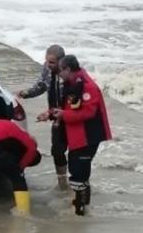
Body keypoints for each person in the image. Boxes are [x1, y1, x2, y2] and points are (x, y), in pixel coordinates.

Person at [51, 55, 112, 215]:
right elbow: (68, 106)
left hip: (88, 136)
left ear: (68, 69)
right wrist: (52, 113)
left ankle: (81, 211)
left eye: (60, 71)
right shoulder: (73, 83)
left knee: (79, 172)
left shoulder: (87, 86)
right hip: (77, 135)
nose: (59, 74)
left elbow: (88, 112)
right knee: (77, 170)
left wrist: (64, 115)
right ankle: (80, 207)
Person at [17, 44, 69, 190]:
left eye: (52, 62)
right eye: (46, 61)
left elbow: (70, 100)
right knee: (57, 150)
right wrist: (26, 93)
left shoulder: (69, 73)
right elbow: (42, 85)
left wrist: (49, 113)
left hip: (72, 116)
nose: (48, 64)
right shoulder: (47, 68)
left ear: (62, 61)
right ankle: (62, 183)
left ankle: (79, 183)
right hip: (57, 116)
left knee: (77, 153)